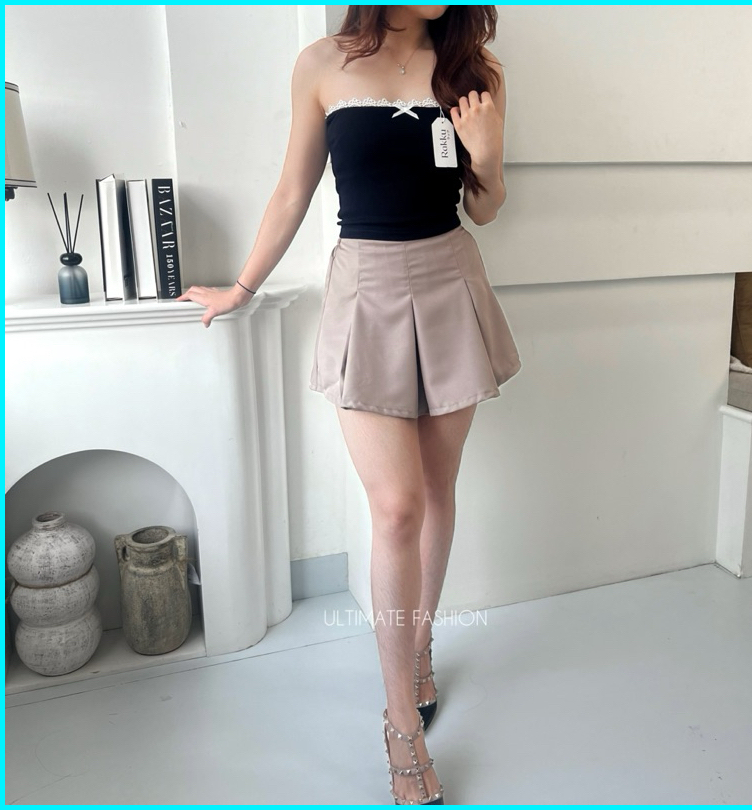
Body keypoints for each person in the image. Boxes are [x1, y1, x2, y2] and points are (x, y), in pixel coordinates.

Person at [177, 5, 521, 804]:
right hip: (365, 290)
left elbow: (485, 206)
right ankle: (401, 724)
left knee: (436, 491)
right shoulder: (320, 64)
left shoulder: (475, 70)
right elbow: (292, 191)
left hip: (450, 282)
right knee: (396, 509)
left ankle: (420, 646)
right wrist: (240, 288)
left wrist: (489, 155)